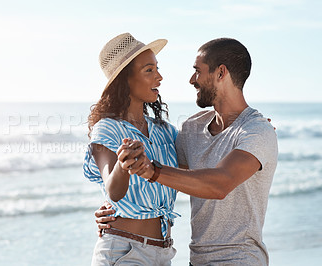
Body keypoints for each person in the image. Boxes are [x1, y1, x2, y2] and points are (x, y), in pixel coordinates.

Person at [96, 38, 278, 265]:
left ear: (221, 73)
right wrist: (112, 209)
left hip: (239, 259)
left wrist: (152, 171)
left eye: (197, 72)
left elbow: (219, 184)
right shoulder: (191, 128)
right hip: (194, 259)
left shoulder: (257, 130)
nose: (192, 80)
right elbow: (174, 176)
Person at [83, 32, 180, 266]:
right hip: (124, 251)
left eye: (157, 68)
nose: (159, 77)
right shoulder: (106, 129)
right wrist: (123, 165)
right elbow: (114, 191)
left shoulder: (165, 131)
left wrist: (245, 126)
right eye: (149, 70)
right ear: (125, 79)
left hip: (163, 253)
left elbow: (200, 167)